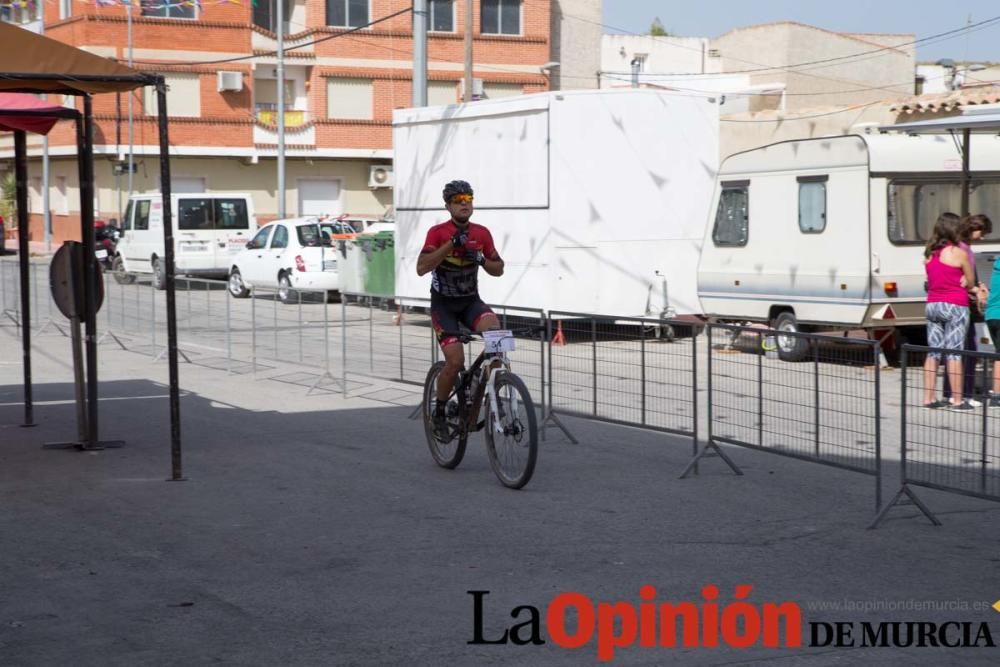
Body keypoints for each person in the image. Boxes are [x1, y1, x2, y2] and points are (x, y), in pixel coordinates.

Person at [416, 180, 505, 436]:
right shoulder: (438, 233)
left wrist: (481, 258)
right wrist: (451, 245)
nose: (464, 203)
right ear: (448, 206)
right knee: (455, 361)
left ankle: (477, 390)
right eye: (458, 200)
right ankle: (440, 412)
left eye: (468, 198)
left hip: (470, 302)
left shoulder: (482, 233)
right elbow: (422, 268)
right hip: (443, 305)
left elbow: (499, 269)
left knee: (496, 337)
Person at [922, 212, 976, 411]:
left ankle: (928, 398)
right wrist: (965, 280)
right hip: (955, 305)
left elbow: (932, 278)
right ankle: (957, 399)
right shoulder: (958, 252)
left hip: (933, 305)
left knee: (933, 351)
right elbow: (970, 281)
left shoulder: (928, 254)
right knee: (954, 351)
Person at [942, 214, 991, 406]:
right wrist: (977, 289)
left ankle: (950, 392)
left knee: (954, 349)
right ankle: (965, 394)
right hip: (963, 304)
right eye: (982, 232)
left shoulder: (957, 248)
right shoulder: (964, 250)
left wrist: (978, 283)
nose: (983, 237)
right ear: (973, 229)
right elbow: (964, 278)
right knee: (969, 349)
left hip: (955, 301)